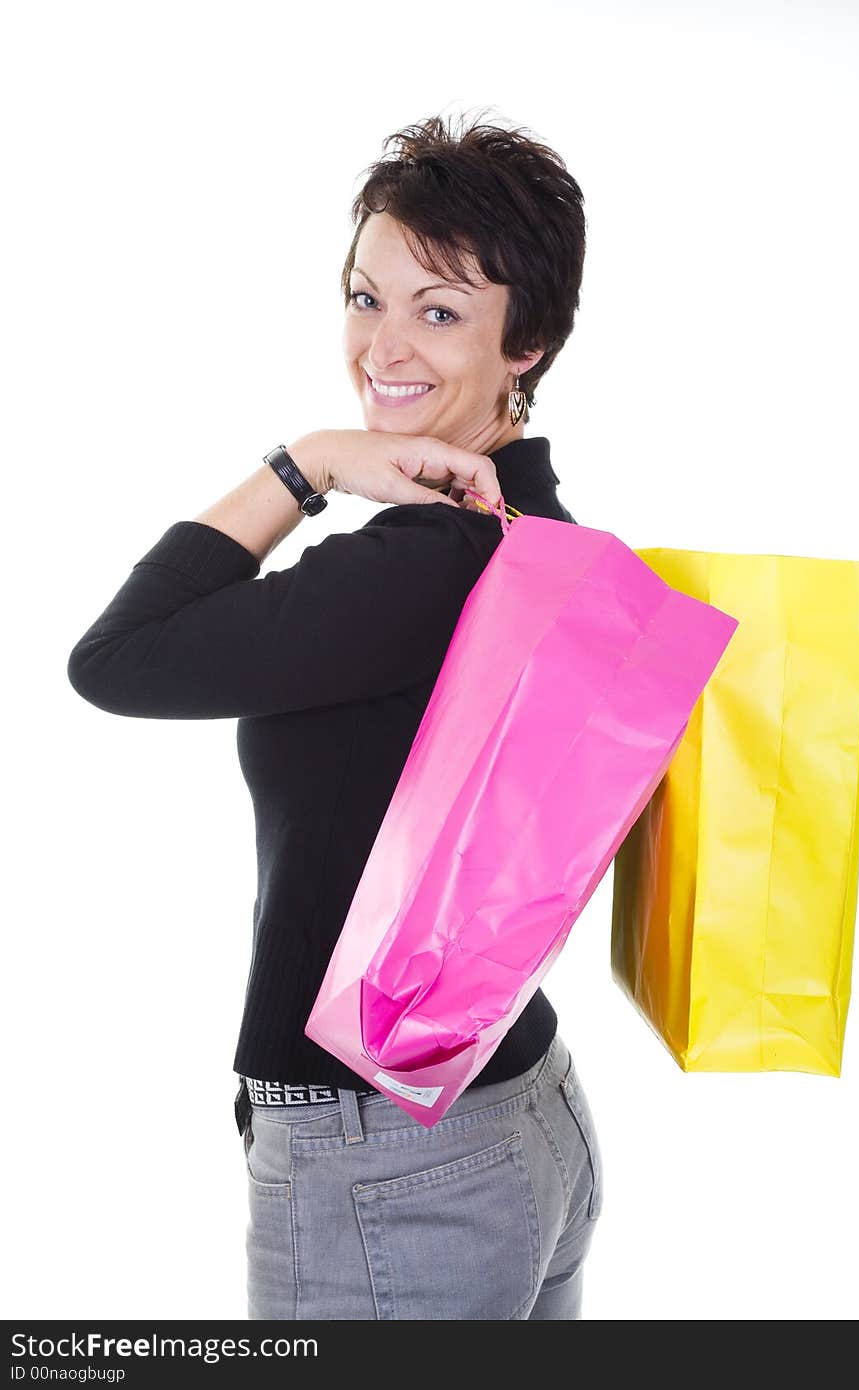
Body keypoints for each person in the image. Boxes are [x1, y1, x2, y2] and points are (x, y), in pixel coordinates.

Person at [66, 109, 603, 1320]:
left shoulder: (423, 562)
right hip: (521, 1105)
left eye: (440, 309)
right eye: (366, 296)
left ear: (531, 341)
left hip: (393, 1159)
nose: (382, 345)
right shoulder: (538, 517)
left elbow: (115, 660)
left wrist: (306, 464)